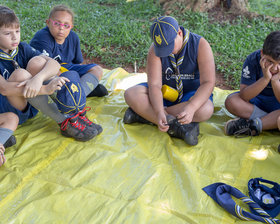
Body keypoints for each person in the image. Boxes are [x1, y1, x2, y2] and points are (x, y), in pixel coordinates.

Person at [0, 5, 100, 142]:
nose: (14, 37)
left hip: (33, 104)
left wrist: (38, 78)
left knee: (37, 62)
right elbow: (4, 89)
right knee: (20, 75)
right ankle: (64, 122)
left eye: (17, 31)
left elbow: (54, 64)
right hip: (11, 110)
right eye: (7, 33)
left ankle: (73, 112)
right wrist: (45, 89)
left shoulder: (21, 47)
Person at [123, 16, 215, 145]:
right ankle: (177, 127)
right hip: (164, 94)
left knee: (206, 109)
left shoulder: (200, 45)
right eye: (163, 49)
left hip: (191, 95)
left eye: (170, 46)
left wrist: (192, 107)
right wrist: (159, 111)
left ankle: (144, 115)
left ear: (179, 33)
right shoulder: (155, 49)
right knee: (131, 93)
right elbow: (154, 85)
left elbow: (208, 82)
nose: (167, 51)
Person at [30, 4, 108, 98]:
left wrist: (78, 77)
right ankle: (77, 93)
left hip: (68, 70)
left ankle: (78, 96)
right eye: (57, 23)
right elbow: (41, 65)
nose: (61, 28)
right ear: (48, 23)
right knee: (52, 74)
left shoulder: (73, 37)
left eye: (66, 25)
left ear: (71, 27)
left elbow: (77, 64)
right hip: (50, 72)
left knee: (97, 70)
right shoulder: (42, 37)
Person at [224, 31, 280, 137]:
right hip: (257, 104)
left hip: (278, 108)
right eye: (270, 61)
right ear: (262, 53)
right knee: (232, 101)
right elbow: (244, 96)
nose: (274, 68)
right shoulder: (252, 59)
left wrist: (275, 81)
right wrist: (265, 79)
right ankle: (271, 123)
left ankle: (255, 125)